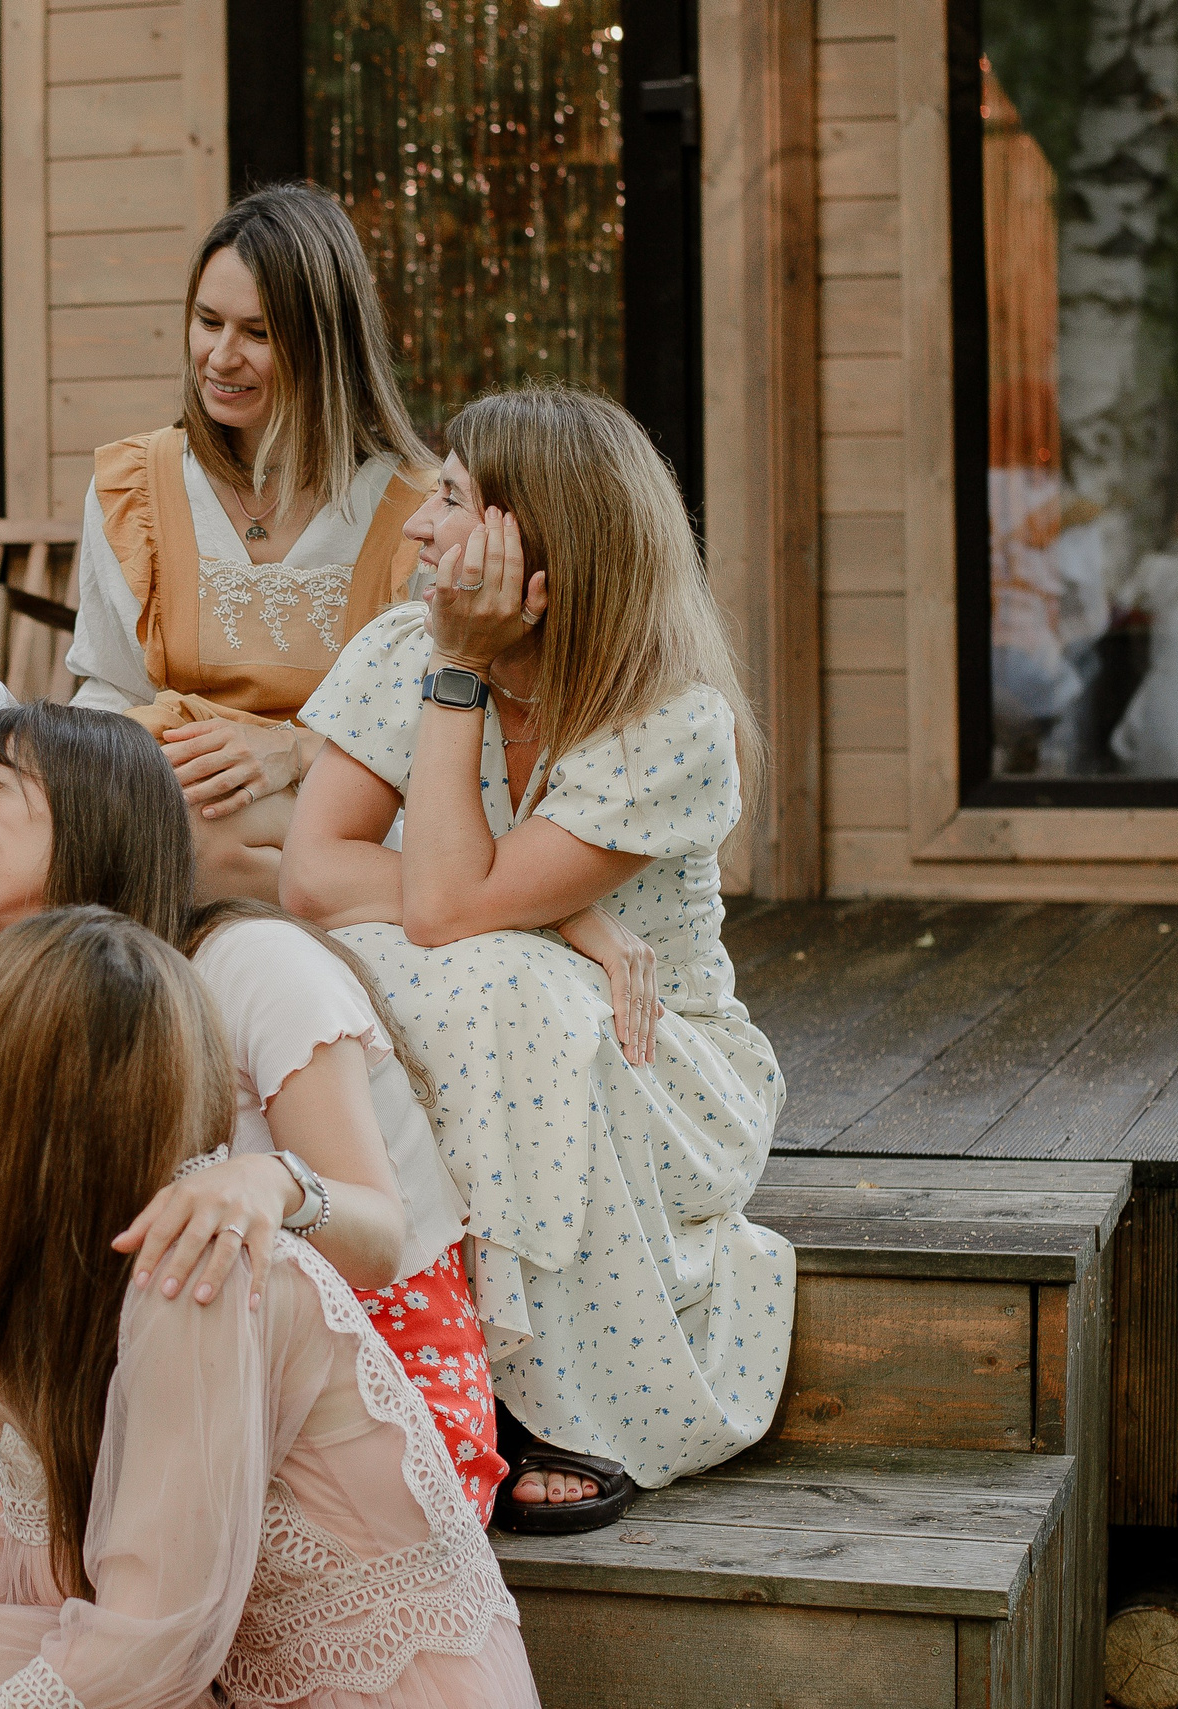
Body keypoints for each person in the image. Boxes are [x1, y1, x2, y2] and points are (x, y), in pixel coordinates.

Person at [0, 908, 538, 1709]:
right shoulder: (93, 1254)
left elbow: (149, 1650)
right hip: (229, 1673)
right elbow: (67, 1568)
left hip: (362, 1691)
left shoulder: (203, 1273)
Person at [283, 380, 795, 1533]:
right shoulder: (396, 647)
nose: (416, 520)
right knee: (393, 964)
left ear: (542, 551)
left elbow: (446, 904)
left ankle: (539, 1395)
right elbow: (314, 875)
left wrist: (459, 680)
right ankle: (427, 1345)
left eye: (455, 498)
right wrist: (559, 910)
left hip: (653, 1066)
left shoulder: (668, 719)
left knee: (491, 975)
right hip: (500, 1012)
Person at [0, 701, 500, 1567]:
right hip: (171, 1359)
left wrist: (271, 1182)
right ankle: (55, 1600)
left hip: (361, 1378)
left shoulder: (250, 964)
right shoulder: (29, 996)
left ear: (85, 807)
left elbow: (380, 1239)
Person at [64, 182, 438, 902]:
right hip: (163, 808)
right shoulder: (135, 487)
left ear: (326, 345)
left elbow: (446, 733)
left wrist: (295, 751)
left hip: (344, 823)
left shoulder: (416, 513)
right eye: (208, 322)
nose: (220, 356)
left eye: (258, 334)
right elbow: (110, 686)